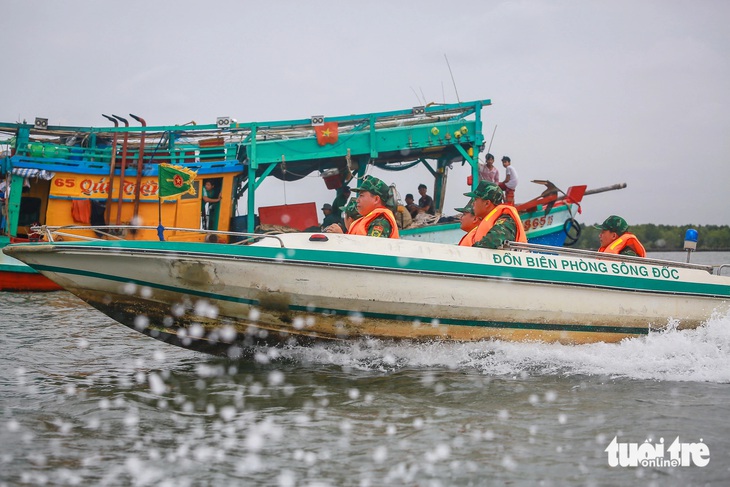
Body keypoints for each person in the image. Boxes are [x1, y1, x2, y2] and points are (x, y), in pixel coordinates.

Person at [327, 176, 399, 238]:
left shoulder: (380, 222)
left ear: (376, 199)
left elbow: (370, 251)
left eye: (361, 196)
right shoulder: (368, 221)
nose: (357, 200)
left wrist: (340, 237)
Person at [466, 180, 527, 248]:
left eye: (476, 199)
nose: (473, 203)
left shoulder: (506, 220)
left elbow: (494, 240)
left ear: (487, 203)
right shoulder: (488, 222)